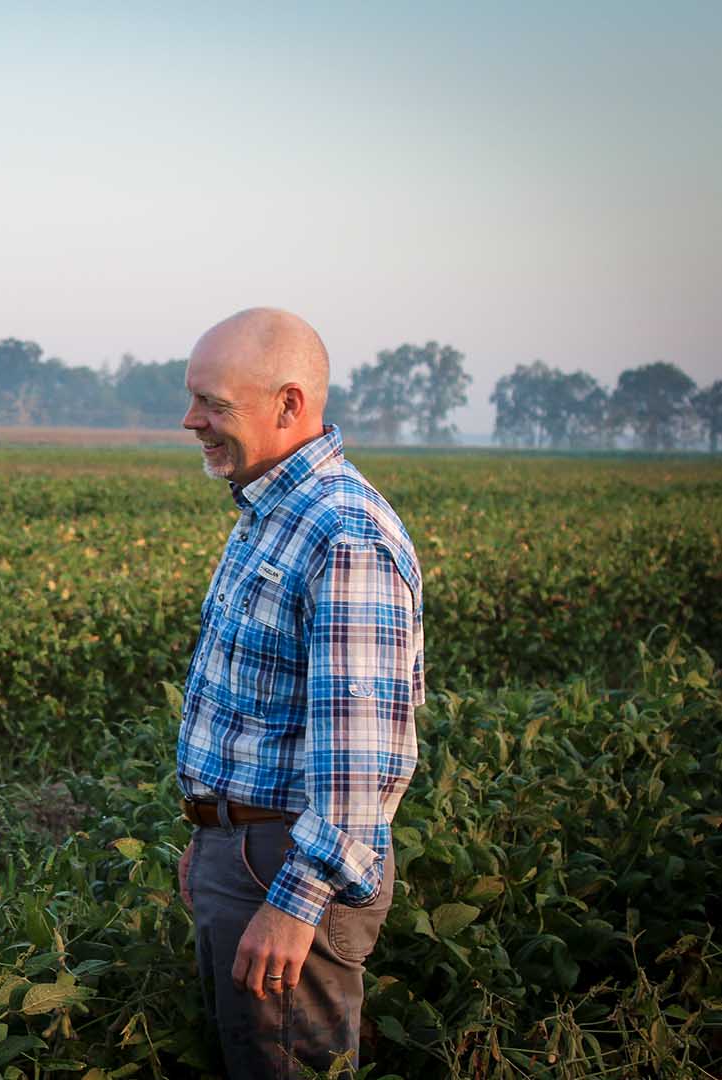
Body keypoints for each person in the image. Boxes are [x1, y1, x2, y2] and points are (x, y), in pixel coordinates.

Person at [174, 308, 424, 1078]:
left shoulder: (340, 530)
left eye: (214, 404)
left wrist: (294, 900)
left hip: (288, 869)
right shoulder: (270, 510)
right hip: (248, 851)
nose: (192, 422)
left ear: (288, 404)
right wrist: (212, 834)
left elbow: (361, 755)